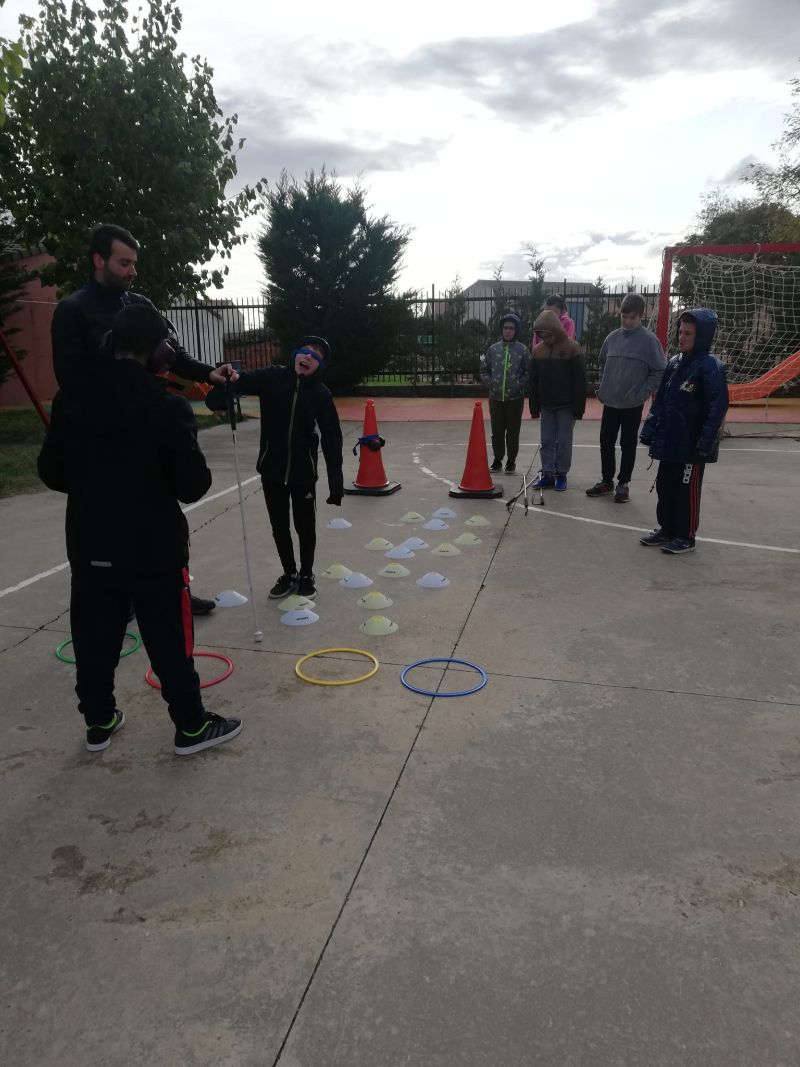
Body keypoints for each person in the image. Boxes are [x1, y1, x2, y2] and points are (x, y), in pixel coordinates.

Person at [38, 304, 243, 755]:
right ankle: (191, 726)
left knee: (94, 637)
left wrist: (94, 483)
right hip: (154, 547)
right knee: (169, 639)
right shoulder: (166, 406)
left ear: (110, 344)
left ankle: (98, 720)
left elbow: (51, 473)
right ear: (160, 353)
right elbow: (193, 486)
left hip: (90, 541)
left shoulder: (70, 400)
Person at [50, 223, 237, 616]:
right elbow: (70, 379)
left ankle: (175, 588)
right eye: (124, 263)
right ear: (99, 260)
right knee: (108, 522)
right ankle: (120, 598)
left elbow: (172, 353)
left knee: (158, 516)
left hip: (147, 424)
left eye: (134, 263)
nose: (132, 271)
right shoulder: (73, 311)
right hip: (104, 432)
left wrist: (208, 373)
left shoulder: (139, 304)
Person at [206, 336, 343, 600]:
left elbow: (332, 436)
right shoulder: (272, 377)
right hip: (272, 470)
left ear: (321, 365)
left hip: (303, 473)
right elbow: (241, 381)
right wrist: (222, 391)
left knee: (305, 526)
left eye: (316, 354)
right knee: (279, 526)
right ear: (295, 354)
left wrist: (335, 482)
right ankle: (289, 572)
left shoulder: (320, 394)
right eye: (305, 350)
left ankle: (306, 574)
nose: (309, 356)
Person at [639, 308, 729, 554]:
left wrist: (705, 442)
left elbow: (716, 408)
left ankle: (685, 535)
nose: (682, 337)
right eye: (680, 332)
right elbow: (661, 401)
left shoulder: (710, 367)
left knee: (685, 490)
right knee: (665, 485)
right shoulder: (674, 363)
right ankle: (666, 528)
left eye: (688, 333)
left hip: (692, 445)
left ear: (701, 336)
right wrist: (650, 429)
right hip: (670, 441)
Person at [586, 293, 666, 503]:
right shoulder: (611, 338)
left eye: (633, 318)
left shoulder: (650, 341)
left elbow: (660, 371)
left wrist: (643, 392)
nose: (628, 321)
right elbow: (602, 363)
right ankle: (607, 481)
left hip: (632, 404)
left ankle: (623, 484)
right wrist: (605, 386)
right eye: (624, 317)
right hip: (610, 402)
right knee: (606, 442)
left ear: (641, 316)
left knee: (628, 444)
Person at [529, 310, 586, 492]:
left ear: (555, 330)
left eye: (546, 334)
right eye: (541, 334)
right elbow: (533, 381)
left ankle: (561, 474)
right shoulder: (538, 351)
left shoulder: (572, 348)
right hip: (546, 406)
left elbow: (580, 380)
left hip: (566, 407)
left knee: (563, 442)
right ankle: (548, 474)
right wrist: (534, 406)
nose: (544, 338)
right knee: (546, 440)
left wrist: (579, 408)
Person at [480, 312, 530, 473]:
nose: (508, 331)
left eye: (511, 328)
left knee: (513, 431)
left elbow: (528, 371)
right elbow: (483, 370)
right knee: (497, 431)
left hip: (515, 398)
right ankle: (497, 459)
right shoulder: (493, 349)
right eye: (505, 328)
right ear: (502, 330)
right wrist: (491, 384)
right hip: (496, 398)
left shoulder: (522, 350)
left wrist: (518, 385)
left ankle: (511, 461)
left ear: (516, 330)